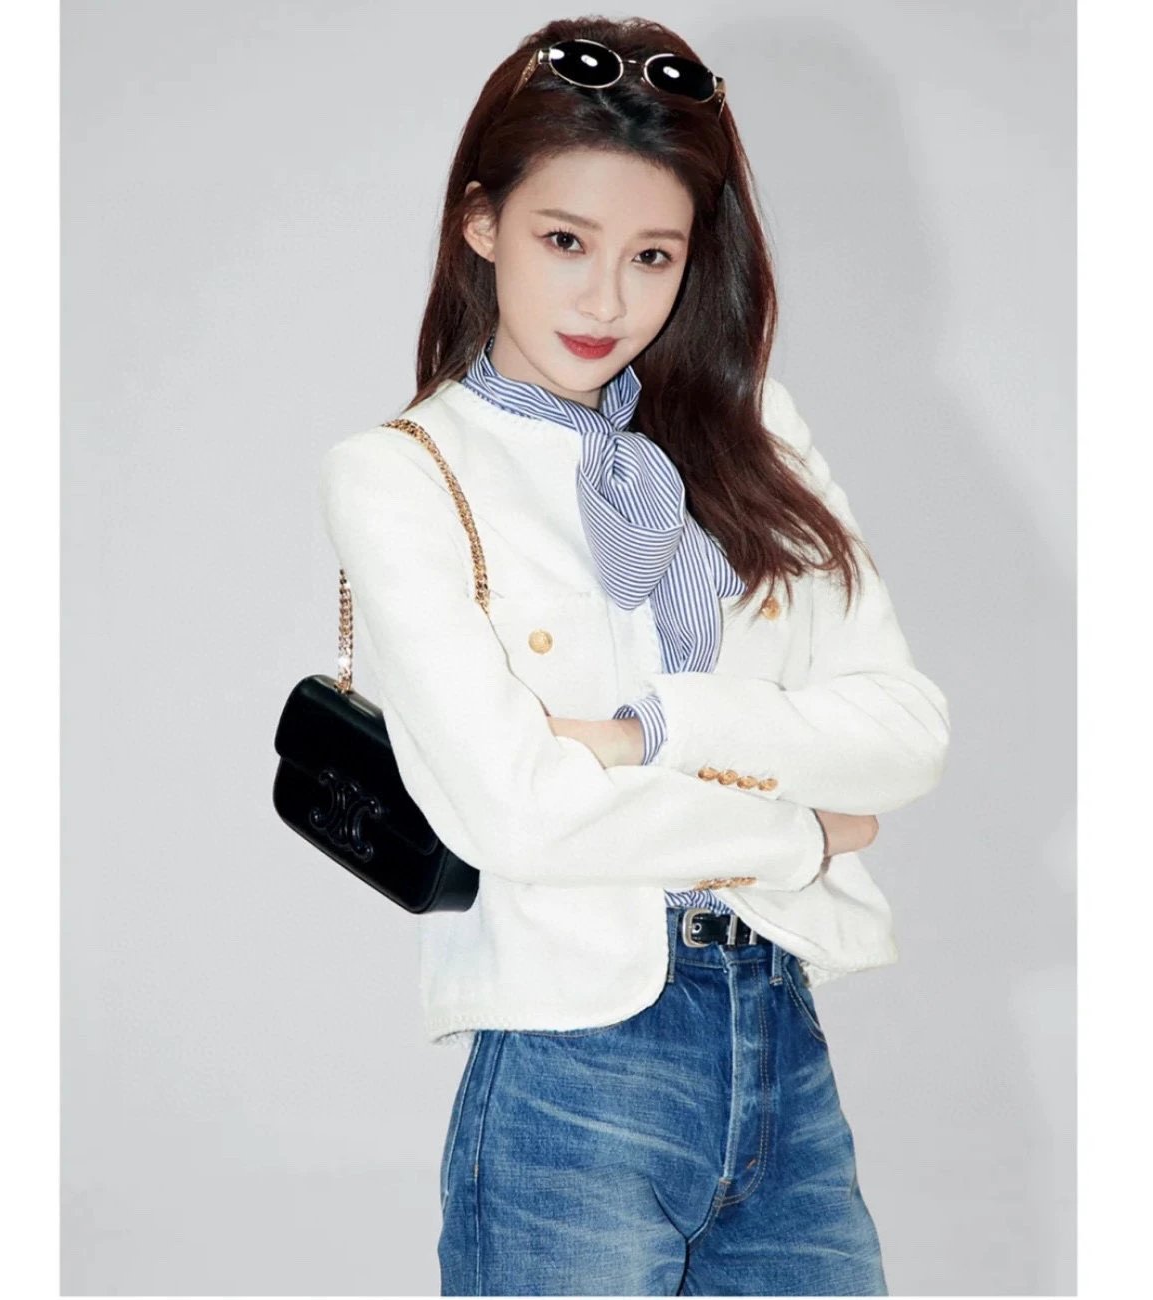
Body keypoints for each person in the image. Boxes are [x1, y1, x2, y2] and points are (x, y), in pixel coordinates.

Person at [317, 15, 951, 1297]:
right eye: (566, 241)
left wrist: (651, 732)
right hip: (571, 1063)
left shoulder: (756, 433)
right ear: (482, 224)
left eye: (652, 255)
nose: (608, 301)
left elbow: (906, 732)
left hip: (779, 1035)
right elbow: (518, 813)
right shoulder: (400, 476)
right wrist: (804, 831)